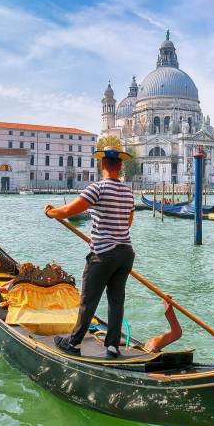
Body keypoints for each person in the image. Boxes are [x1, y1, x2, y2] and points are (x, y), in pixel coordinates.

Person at [44, 145, 135, 358]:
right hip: (125, 252)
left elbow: (68, 211)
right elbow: (128, 222)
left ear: (102, 164)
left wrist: (50, 213)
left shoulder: (98, 188)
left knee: (88, 299)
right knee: (116, 300)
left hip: (103, 254)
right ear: (120, 167)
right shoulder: (128, 192)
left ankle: (73, 343)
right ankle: (112, 346)